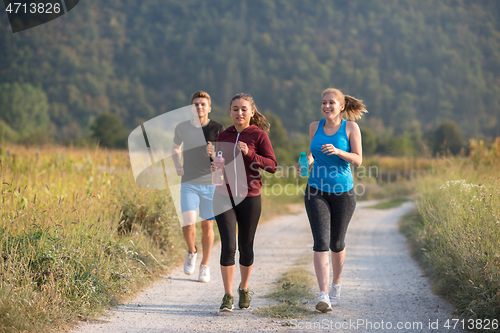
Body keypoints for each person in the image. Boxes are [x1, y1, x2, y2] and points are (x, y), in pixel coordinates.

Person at [299, 88, 366, 313]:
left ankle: (336, 283)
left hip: (343, 194)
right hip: (315, 190)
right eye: (323, 102)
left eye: (331, 103)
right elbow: (312, 153)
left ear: (341, 106)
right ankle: (323, 294)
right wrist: (305, 161)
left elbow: (358, 160)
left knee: (336, 244)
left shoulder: (350, 128)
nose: (326, 106)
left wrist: (338, 151)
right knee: (320, 242)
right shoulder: (314, 127)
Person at [210, 93, 277, 312]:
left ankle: (244, 288)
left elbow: (272, 166)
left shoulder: (259, 136)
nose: (239, 113)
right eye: (235, 109)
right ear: (229, 112)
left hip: (250, 197)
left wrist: (250, 155)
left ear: (252, 112)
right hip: (223, 196)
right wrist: (215, 168)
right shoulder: (223, 136)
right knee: (228, 246)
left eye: (243, 109)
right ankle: (227, 295)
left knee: (245, 248)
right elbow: (220, 164)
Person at [171, 91, 225, 283]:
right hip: (189, 182)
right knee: (188, 222)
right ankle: (192, 250)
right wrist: (177, 163)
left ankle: (205, 265)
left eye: (203, 104)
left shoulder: (218, 128)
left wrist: (214, 155)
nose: (199, 107)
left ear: (209, 108)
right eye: (196, 104)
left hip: (211, 183)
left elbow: (223, 155)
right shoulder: (182, 127)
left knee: (207, 224)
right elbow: (175, 147)